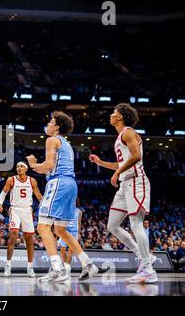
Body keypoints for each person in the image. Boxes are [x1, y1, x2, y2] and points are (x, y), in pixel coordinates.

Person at [27, 111, 99, 283]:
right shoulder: (66, 144)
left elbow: (49, 165)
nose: (48, 124)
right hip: (71, 185)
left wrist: (33, 165)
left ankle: (57, 269)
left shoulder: (52, 139)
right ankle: (87, 263)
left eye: (50, 122)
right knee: (60, 230)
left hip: (58, 182)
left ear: (57, 127)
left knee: (43, 227)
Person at [89, 103, 157, 284]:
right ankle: (143, 257)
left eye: (114, 113)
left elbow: (136, 157)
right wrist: (101, 163)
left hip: (136, 181)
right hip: (125, 184)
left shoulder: (128, 132)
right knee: (112, 225)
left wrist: (117, 173)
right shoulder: (120, 136)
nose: (111, 115)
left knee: (136, 224)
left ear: (120, 117)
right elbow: (122, 163)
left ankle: (148, 270)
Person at [0, 162, 43, 278]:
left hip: (27, 210)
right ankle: (8, 265)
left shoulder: (32, 181)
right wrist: (0, 204)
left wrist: (45, 205)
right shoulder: (11, 180)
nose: (19, 168)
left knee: (29, 239)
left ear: (26, 169)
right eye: (17, 166)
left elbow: (38, 195)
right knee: (13, 234)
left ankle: (30, 267)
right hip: (15, 210)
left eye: (21, 166)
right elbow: (3, 193)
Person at [59, 202, 83, 277]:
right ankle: (66, 266)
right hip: (65, 231)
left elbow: (79, 223)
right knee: (62, 250)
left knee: (71, 251)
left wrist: (79, 233)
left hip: (74, 232)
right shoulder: (65, 209)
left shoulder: (79, 211)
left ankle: (67, 268)